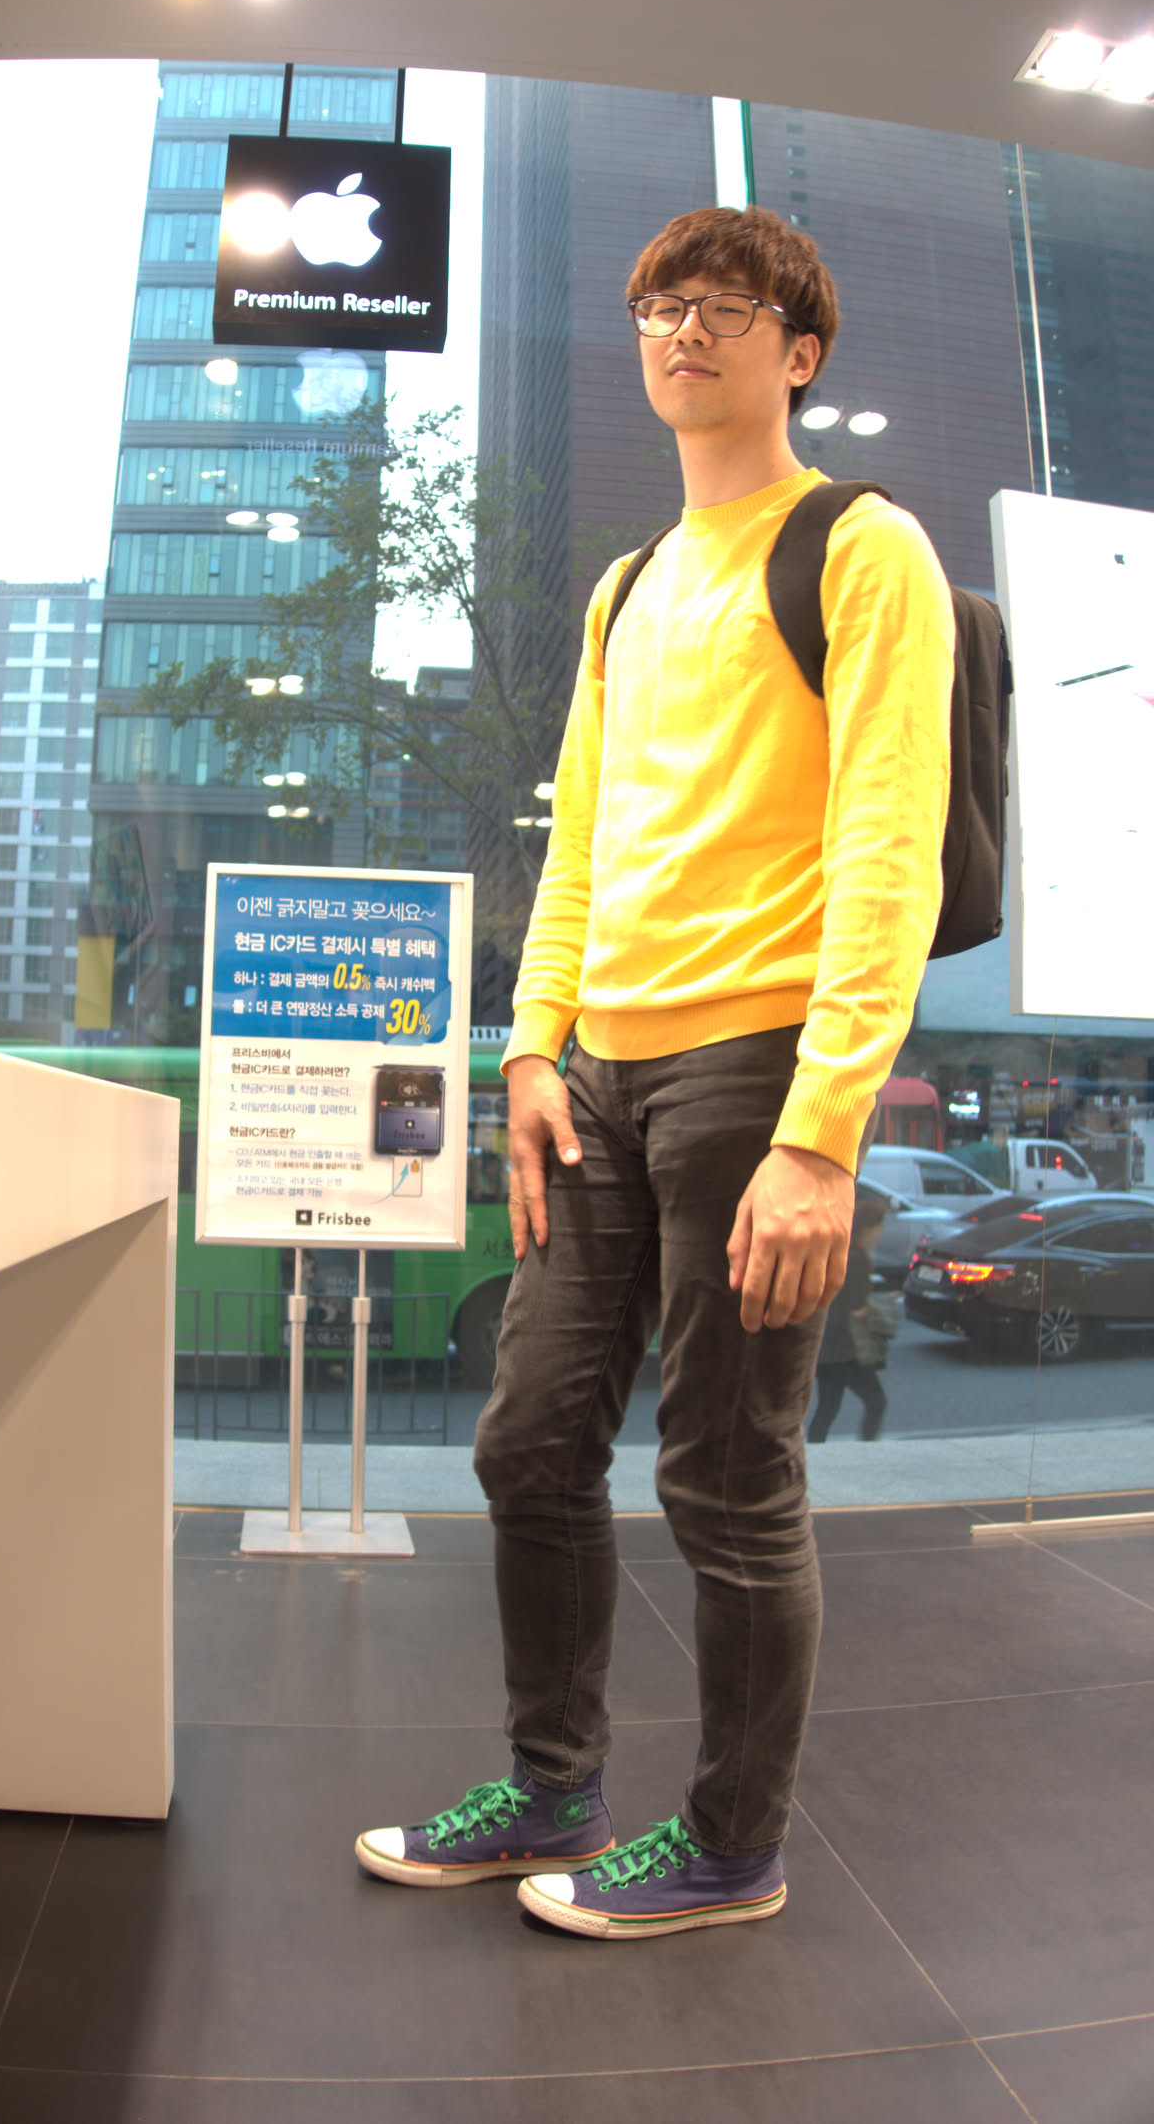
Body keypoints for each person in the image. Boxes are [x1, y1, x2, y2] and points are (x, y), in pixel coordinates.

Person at [356, 205, 953, 1941]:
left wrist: (825, 1134)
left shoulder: (861, 548)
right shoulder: (629, 588)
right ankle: (552, 1788)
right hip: (598, 1074)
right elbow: (582, 845)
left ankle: (731, 1846)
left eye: (724, 305)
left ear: (800, 350)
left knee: (727, 1475)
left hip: (755, 1069)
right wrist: (530, 1043)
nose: (682, 328)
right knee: (530, 1442)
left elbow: (890, 846)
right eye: (658, 305)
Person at [807, 1189, 892, 1443]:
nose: (879, 1234)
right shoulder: (858, 1260)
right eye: (877, 1229)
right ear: (866, 1230)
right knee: (876, 1402)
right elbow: (858, 1308)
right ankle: (867, 1450)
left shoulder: (837, 1252)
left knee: (827, 1408)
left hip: (825, 1347)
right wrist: (884, 1304)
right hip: (847, 1349)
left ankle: (814, 1451)